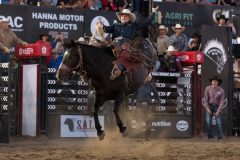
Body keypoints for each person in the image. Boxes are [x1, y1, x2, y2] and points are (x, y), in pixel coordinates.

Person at [133, 73, 160, 141]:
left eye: (147, 77)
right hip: (139, 105)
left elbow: (157, 96)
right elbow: (133, 96)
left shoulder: (151, 86)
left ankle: (147, 137)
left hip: (148, 106)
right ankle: (139, 137)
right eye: (145, 77)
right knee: (139, 121)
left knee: (149, 122)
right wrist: (132, 105)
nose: (146, 78)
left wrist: (158, 105)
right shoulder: (138, 86)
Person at [203, 76, 225, 140]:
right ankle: (210, 136)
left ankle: (220, 136)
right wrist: (207, 108)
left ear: (218, 83)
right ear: (211, 82)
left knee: (219, 122)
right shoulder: (207, 88)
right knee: (208, 121)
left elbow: (221, 102)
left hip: (217, 106)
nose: (213, 84)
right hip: (209, 106)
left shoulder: (221, 91)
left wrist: (218, 111)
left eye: (215, 83)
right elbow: (205, 99)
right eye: (212, 83)